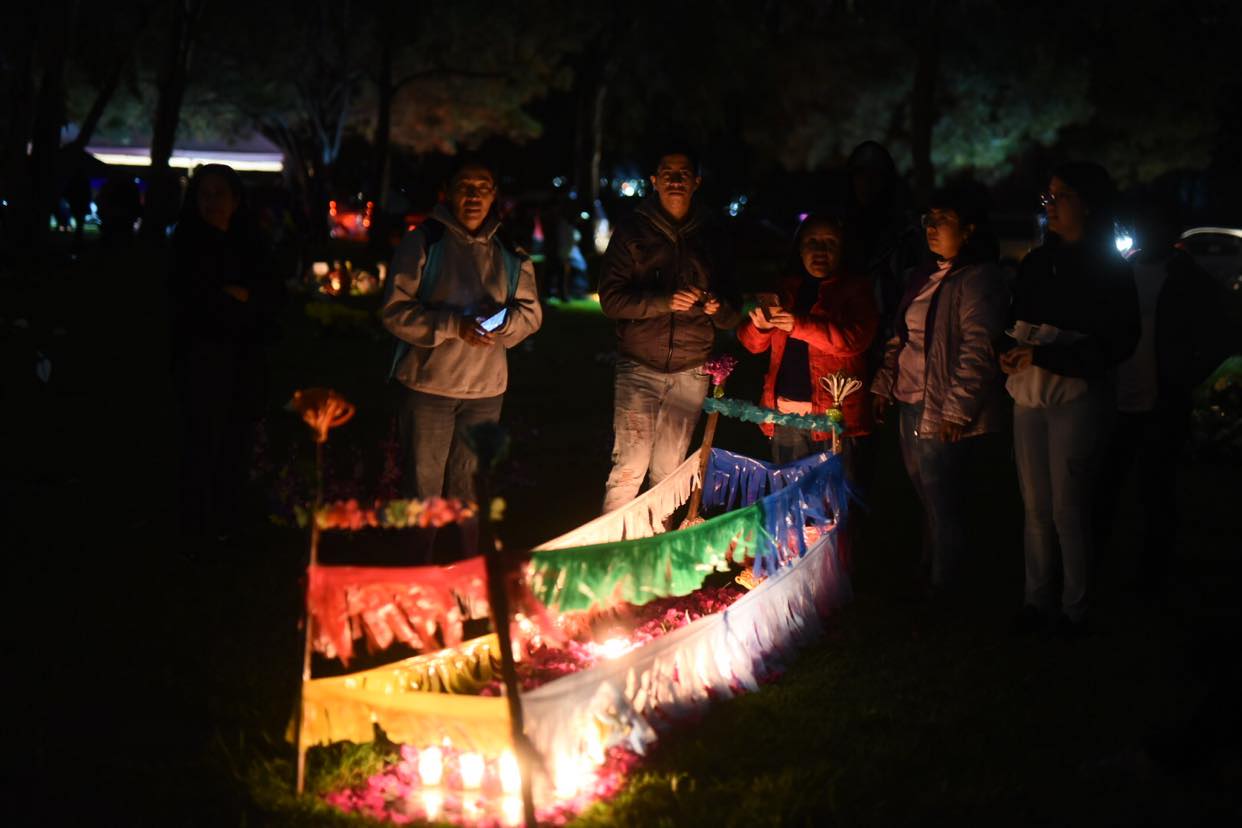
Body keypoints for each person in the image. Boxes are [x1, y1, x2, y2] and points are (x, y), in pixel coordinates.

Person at [1002, 162, 1140, 637]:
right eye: (1048, 197)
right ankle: (1036, 601)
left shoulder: (1109, 268)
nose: (1051, 206)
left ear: (1087, 203)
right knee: (1035, 505)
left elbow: (1119, 340)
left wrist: (1047, 352)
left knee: (1068, 507)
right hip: (1030, 396)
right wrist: (1010, 351)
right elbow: (1015, 318)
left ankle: (1075, 607)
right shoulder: (1039, 263)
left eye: (1060, 196)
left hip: (1076, 396)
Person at [1093, 196, 1238, 599]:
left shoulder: (1188, 279)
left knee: (1155, 491)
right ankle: (1095, 563)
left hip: (1162, 401)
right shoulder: (1121, 271)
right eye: (1143, 225)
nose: (1148, 233)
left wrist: (1185, 377)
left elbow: (1222, 333)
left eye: (1156, 226)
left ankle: (1150, 576)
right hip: (1117, 399)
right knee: (1105, 484)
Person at [870, 187, 1009, 596]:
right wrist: (883, 386)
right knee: (927, 497)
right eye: (928, 219)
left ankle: (945, 585)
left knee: (944, 500)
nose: (931, 228)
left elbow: (977, 349)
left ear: (967, 231)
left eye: (942, 220)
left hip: (941, 409)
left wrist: (956, 411)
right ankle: (932, 568)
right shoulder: (923, 276)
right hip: (912, 401)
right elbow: (901, 337)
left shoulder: (978, 279)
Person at [383, 157, 541, 507]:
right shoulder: (424, 242)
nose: (474, 196)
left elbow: (530, 314)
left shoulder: (511, 252)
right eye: (465, 187)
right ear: (447, 192)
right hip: (428, 387)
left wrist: (503, 323)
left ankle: (465, 558)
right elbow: (394, 311)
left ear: (494, 195)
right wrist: (453, 326)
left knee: (470, 488)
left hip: (485, 391)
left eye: (483, 188)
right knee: (423, 489)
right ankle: (421, 558)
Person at [598, 145, 740, 513]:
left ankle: (655, 552)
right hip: (639, 365)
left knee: (668, 471)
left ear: (696, 182)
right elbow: (611, 301)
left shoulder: (714, 234)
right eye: (667, 172)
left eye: (683, 174)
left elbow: (733, 313)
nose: (675, 180)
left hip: (691, 369)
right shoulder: (633, 231)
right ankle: (609, 554)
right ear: (654, 181)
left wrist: (717, 306)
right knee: (628, 469)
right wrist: (663, 301)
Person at [169, 164, 282, 542]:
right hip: (201, 362)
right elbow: (189, 301)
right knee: (201, 442)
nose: (212, 202)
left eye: (220, 194)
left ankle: (229, 519)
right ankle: (197, 524)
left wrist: (240, 298)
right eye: (205, 194)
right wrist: (231, 297)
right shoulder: (186, 244)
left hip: (244, 362)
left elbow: (268, 297)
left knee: (238, 442)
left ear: (236, 199)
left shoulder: (251, 243)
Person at [737, 214, 878, 468]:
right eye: (812, 242)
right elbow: (752, 344)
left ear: (842, 249)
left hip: (835, 419)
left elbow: (853, 340)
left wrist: (798, 325)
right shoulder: (785, 290)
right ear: (800, 248)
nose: (820, 250)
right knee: (791, 499)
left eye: (830, 243)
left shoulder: (856, 290)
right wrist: (760, 327)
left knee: (834, 502)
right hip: (785, 416)